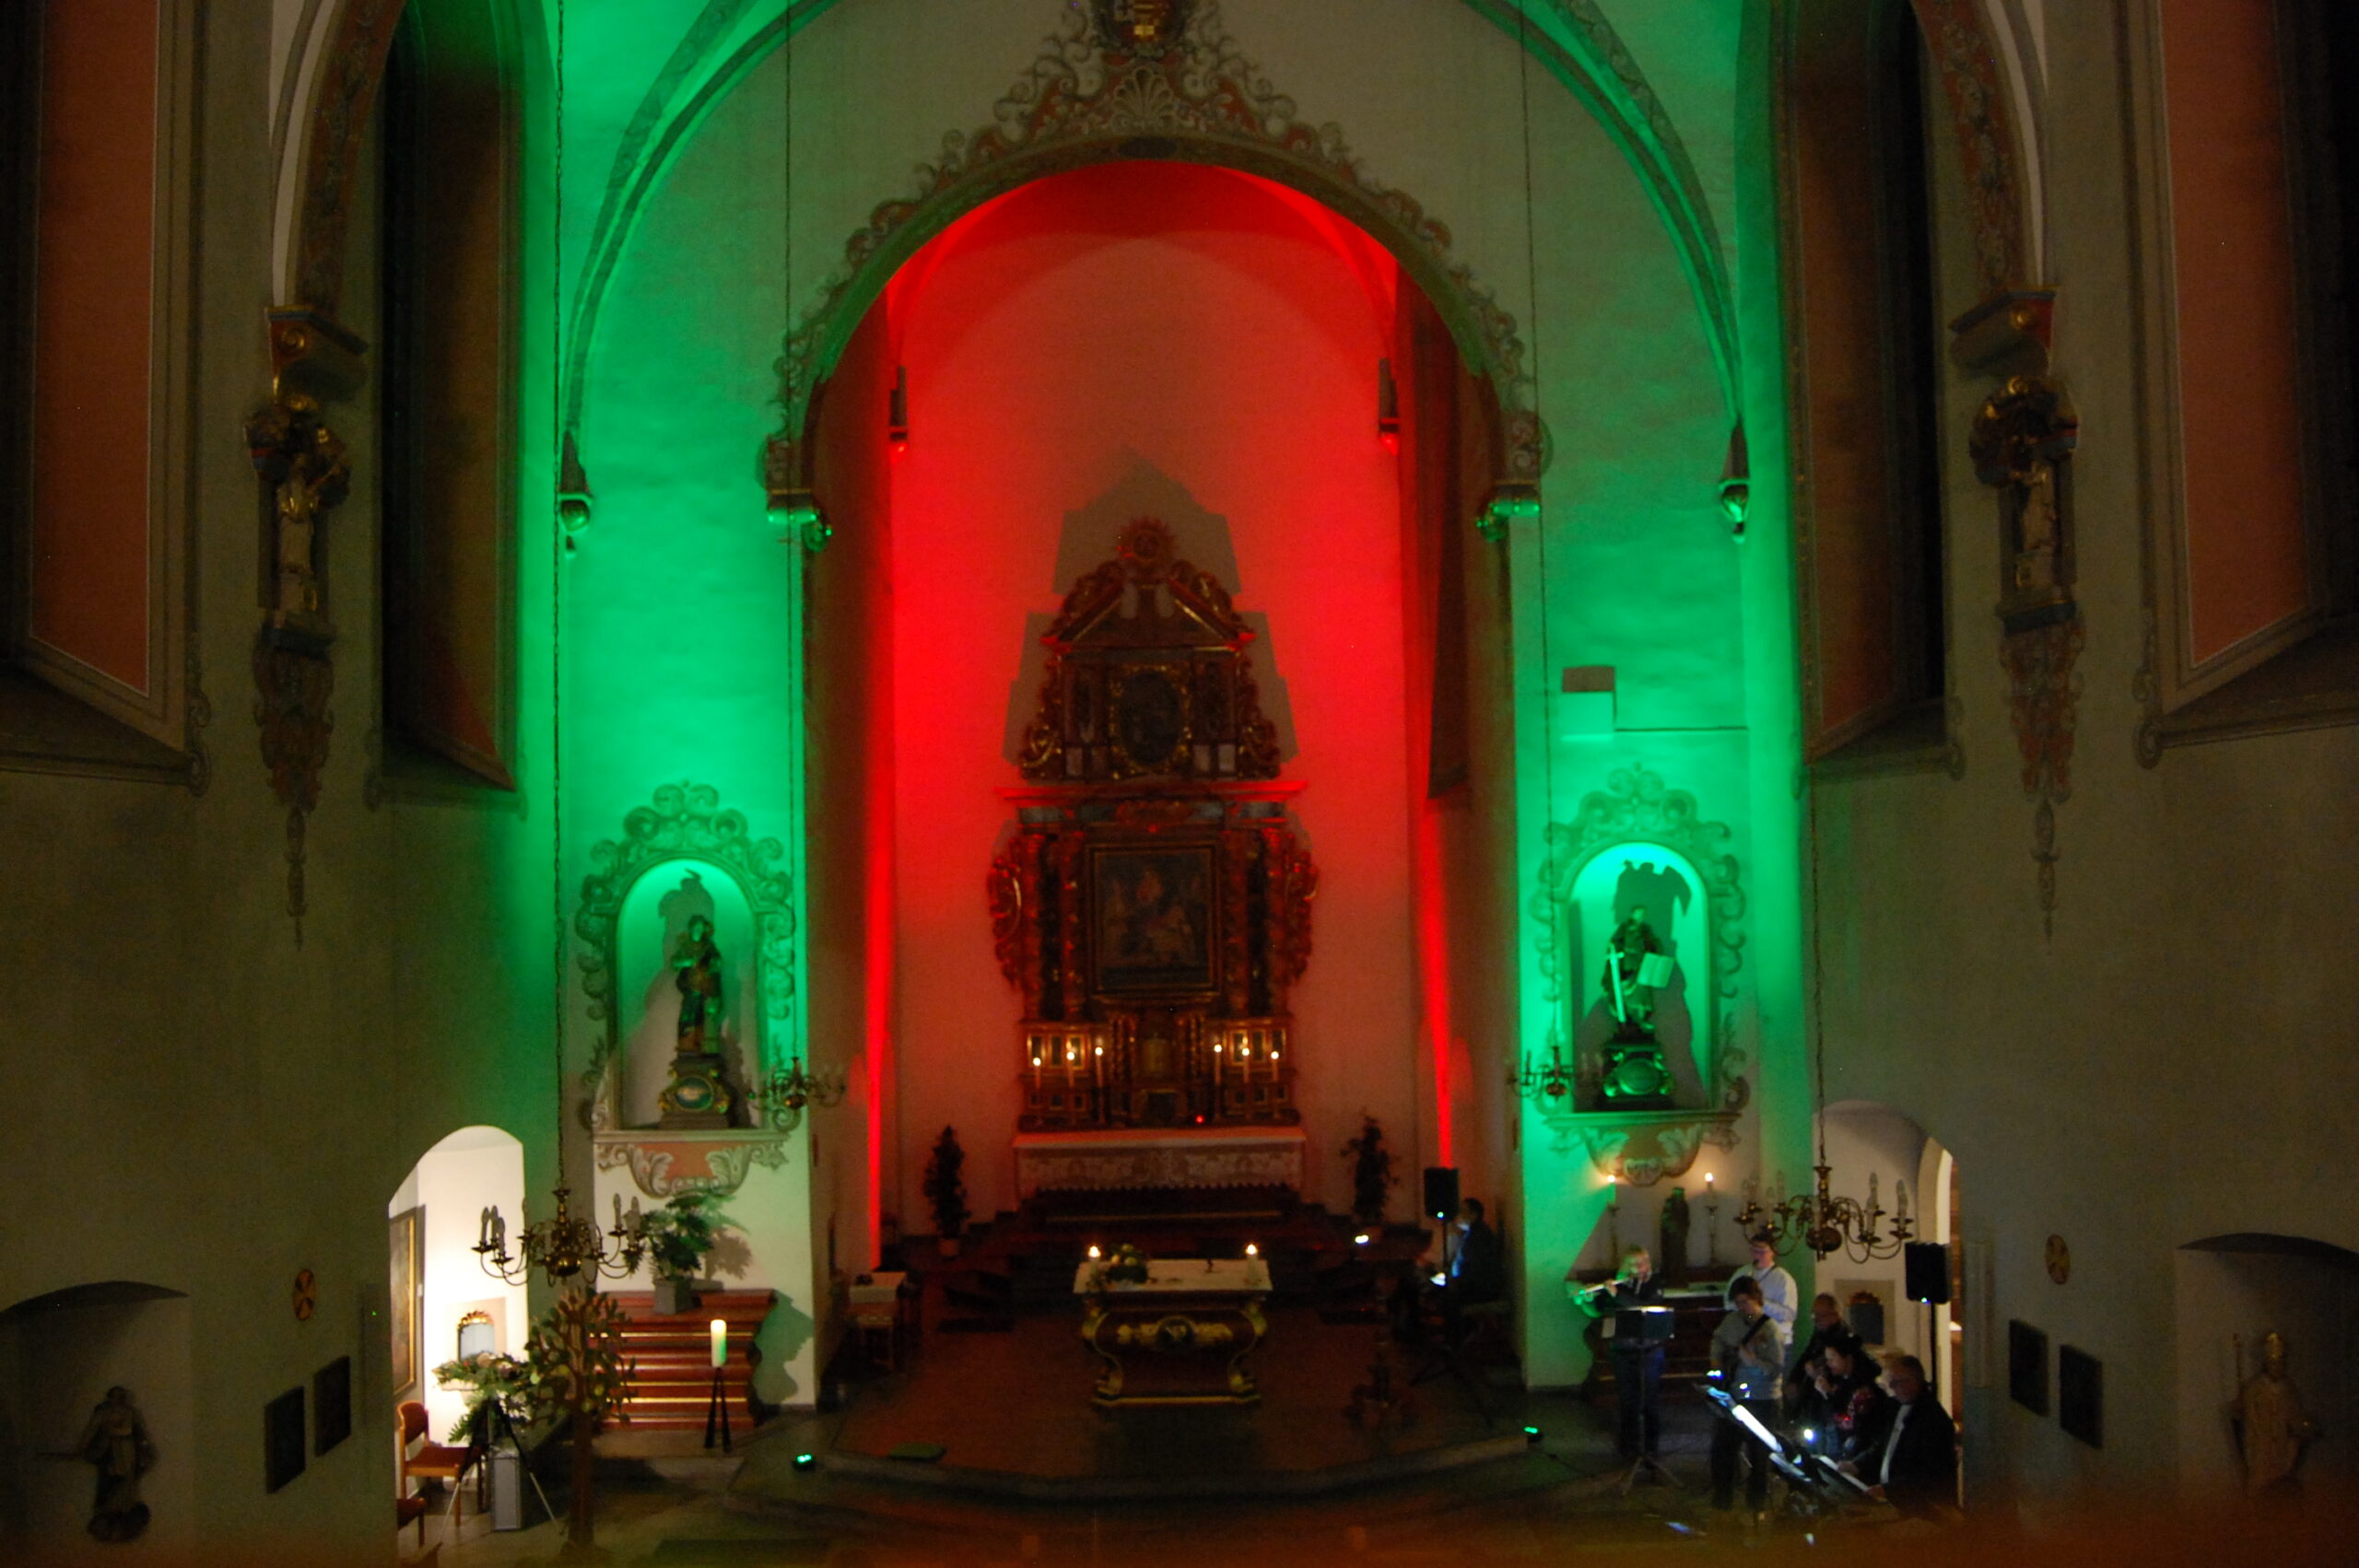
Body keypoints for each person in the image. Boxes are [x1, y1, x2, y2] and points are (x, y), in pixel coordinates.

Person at [1572, 1245, 1667, 1462]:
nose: (1637, 1268)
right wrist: (1584, 1302)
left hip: (1650, 1351)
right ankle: (1628, 1448)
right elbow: (1597, 1312)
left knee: (1649, 1401)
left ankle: (1651, 1449)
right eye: (1631, 1265)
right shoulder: (1616, 1284)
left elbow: (1644, 1308)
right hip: (1623, 1351)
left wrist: (1617, 1294)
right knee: (1627, 1401)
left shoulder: (1653, 1284)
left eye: (1641, 1263)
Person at [1708, 1274, 1789, 1518]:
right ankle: (1723, 1501)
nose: (1742, 1308)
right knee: (1722, 1449)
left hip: (1763, 1399)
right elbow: (1718, 1342)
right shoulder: (1732, 1321)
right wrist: (1717, 1363)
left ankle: (1757, 1507)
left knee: (1759, 1455)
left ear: (1757, 1300)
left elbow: (1775, 1368)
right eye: (1738, 1303)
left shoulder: (1770, 1329)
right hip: (1736, 1396)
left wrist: (1752, 1362)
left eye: (1745, 1302)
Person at [1847, 1353, 1955, 1517]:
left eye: (1896, 1382)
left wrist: (1889, 1490)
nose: (1891, 1387)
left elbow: (1930, 1473)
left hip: (1919, 1508)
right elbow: (1885, 1446)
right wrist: (1857, 1464)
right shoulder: (1896, 1406)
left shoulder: (1933, 1419)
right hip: (1893, 1500)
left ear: (1914, 1381)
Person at [1785, 1293, 1855, 1420]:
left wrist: (1818, 1375)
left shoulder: (1844, 1339)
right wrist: (1795, 1379)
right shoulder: (1819, 1335)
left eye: (1821, 1316)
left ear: (1835, 1314)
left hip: (1829, 1405)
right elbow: (1806, 1356)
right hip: (1813, 1399)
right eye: (1814, 1315)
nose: (1816, 1320)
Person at [1729, 1231, 1798, 1335]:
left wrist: (1761, 1303)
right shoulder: (1742, 1273)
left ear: (1772, 1252)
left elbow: (1789, 1315)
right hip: (1748, 1335)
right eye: (1753, 1251)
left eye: (1761, 1252)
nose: (1757, 1256)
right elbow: (1729, 1303)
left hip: (1775, 1336)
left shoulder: (1783, 1279)